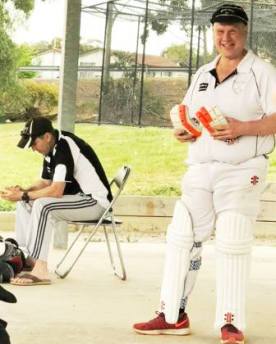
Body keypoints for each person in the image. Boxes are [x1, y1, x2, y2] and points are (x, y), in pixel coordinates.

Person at [133, 3, 276, 344]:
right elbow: (191, 116)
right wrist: (183, 131)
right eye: (220, 32)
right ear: (213, 34)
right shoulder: (201, 74)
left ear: (244, 33)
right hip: (200, 167)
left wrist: (243, 126)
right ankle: (171, 314)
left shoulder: (263, 71)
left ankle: (230, 322)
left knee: (232, 237)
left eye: (233, 32)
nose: (226, 38)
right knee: (182, 236)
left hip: (242, 168)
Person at [0, 116, 112, 286]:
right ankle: (26, 257)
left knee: (43, 205)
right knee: (25, 203)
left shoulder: (64, 147)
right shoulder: (51, 149)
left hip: (95, 203)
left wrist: (23, 194)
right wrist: (23, 192)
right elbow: (45, 182)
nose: (33, 149)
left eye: (34, 143)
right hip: (79, 200)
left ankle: (41, 269)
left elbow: (56, 190)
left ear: (47, 137)